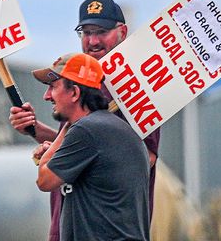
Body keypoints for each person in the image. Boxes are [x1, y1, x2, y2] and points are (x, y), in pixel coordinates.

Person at [9, 0, 161, 240]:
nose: (92, 41)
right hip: (69, 223)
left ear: (122, 32)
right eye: (85, 32)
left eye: (101, 31)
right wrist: (35, 130)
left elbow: (143, 159)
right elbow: (76, 141)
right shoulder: (78, 88)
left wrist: (70, 155)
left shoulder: (137, 87)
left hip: (104, 227)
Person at [31, 53, 150, 241]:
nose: (47, 96)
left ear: (75, 93)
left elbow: (44, 181)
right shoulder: (108, 128)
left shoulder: (85, 130)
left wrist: (65, 131)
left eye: (53, 87)